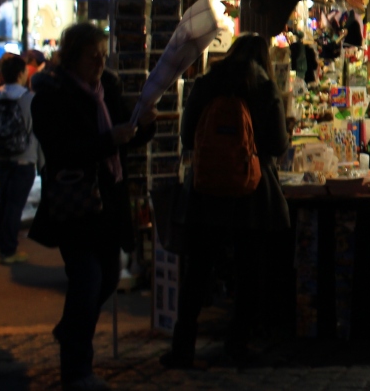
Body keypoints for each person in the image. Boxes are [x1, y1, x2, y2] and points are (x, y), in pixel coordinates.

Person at [30, 24, 156, 391]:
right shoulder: (52, 96)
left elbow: (126, 136)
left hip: (109, 202)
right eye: (92, 57)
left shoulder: (108, 89)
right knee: (87, 280)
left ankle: (72, 329)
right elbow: (60, 151)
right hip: (77, 205)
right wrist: (107, 141)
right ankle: (76, 370)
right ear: (73, 58)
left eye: (103, 55)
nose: (100, 63)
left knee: (109, 278)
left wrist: (144, 126)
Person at [161, 34, 289, 369]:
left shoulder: (205, 85)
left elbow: (187, 137)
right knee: (250, 271)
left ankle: (183, 347)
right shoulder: (265, 89)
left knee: (197, 272)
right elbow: (277, 144)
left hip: (206, 191)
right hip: (251, 193)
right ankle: (237, 344)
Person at [0, 55, 39, 263]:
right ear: (21, 74)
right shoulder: (30, 100)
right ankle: (8, 250)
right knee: (14, 205)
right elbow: (35, 131)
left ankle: (3, 244)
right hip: (24, 159)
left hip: (0, 158)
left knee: (4, 201)